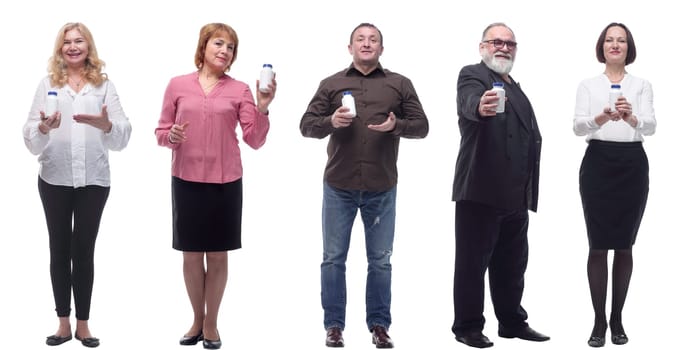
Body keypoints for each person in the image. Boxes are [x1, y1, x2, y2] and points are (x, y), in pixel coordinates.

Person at [300, 22, 428, 349]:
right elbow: (306, 126)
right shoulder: (332, 83)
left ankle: (380, 326)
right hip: (338, 186)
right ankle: (333, 327)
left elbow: (422, 126)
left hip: (381, 187)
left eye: (373, 40)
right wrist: (331, 122)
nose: (367, 44)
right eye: (361, 39)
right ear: (350, 47)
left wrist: (395, 125)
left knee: (381, 260)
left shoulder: (400, 84)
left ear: (382, 49)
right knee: (333, 258)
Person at [154, 23, 275, 350]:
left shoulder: (240, 91)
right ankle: (196, 318)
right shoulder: (177, 85)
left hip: (225, 181)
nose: (224, 50)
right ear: (203, 47)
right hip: (186, 178)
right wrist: (171, 137)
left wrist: (263, 106)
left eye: (231, 47)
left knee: (218, 255)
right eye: (218, 43)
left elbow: (254, 139)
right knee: (191, 255)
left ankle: (211, 323)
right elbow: (162, 131)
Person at [22, 22, 132, 348]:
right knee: (60, 249)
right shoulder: (47, 85)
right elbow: (29, 136)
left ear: (88, 47)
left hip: (93, 181)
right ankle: (62, 323)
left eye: (78, 41)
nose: (73, 46)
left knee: (83, 251)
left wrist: (107, 123)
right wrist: (42, 127)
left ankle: (83, 324)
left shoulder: (104, 87)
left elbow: (123, 134)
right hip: (54, 179)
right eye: (67, 42)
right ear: (60, 49)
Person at [451, 22, 548, 348]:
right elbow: (470, 101)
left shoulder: (516, 87)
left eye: (510, 43)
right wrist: (480, 105)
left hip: (516, 194)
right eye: (496, 42)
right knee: (471, 265)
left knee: (512, 265)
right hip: (481, 190)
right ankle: (467, 327)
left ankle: (511, 322)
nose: (503, 47)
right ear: (482, 47)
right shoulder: (473, 75)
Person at [573, 22, 655, 348]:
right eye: (610, 40)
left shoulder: (642, 84)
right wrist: (601, 118)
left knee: (624, 245)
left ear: (628, 47)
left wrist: (632, 117)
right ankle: (598, 322)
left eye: (621, 40)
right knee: (597, 244)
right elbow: (578, 127)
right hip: (597, 164)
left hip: (632, 165)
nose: (615, 45)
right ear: (602, 46)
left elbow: (651, 125)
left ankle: (618, 319)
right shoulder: (588, 85)